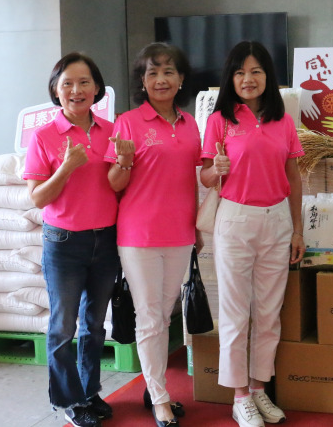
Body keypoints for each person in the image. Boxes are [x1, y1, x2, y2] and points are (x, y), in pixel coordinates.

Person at [199, 41, 306, 427]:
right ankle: (239, 396)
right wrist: (216, 169)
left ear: (268, 76)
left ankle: (260, 388)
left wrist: (297, 229)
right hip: (235, 219)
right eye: (240, 72)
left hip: (277, 220)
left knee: (268, 312)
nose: (248, 79)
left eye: (256, 71)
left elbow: (293, 176)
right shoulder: (220, 120)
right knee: (235, 311)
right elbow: (205, 176)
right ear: (230, 78)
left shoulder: (283, 121)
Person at [105, 42, 203, 427]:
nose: (161, 79)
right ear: (142, 82)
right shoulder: (128, 123)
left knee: (163, 315)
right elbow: (114, 183)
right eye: (152, 73)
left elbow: (196, 179)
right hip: (139, 234)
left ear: (181, 79)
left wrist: (198, 227)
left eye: (168, 72)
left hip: (180, 233)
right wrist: (125, 160)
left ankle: (153, 385)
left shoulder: (190, 124)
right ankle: (160, 399)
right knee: (149, 317)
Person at [23, 52, 119, 427]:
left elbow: (120, 185)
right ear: (56, 91)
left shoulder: (112, 131)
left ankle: (89, 392)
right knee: (63, 326)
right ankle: (68, 400)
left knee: (94, 324)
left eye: (84, 82)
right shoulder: (44, 137)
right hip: (64, 242)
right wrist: (66, 167)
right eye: (67, 84)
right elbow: (38, 198)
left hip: (106, 239)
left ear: (96, 89)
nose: (76, 90)